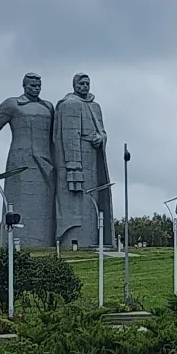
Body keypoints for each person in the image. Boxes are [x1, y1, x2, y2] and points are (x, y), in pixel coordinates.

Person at [0, 72, 56, 247]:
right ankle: (14, 244)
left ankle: (45, 244)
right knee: (17, 204)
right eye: (32, 86)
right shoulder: (13, 104)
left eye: (38, 86)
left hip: (46, 164)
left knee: (45, 206)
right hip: (20, 161)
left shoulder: (48, 107)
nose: (36, 89)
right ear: (24, 85)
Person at [54, 73, 113, 248]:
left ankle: (93, 239)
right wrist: (73, 165)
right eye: (82, 83)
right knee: (76, 200)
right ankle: (74, 240)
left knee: (92, 198)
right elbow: (68, 136)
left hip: (93, 157)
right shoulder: (69, 104)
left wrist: (100, 138)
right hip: (76, 160)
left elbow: (103, 131)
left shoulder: (95, 106)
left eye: (88, 83)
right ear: (74, 85)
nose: (85, 86)